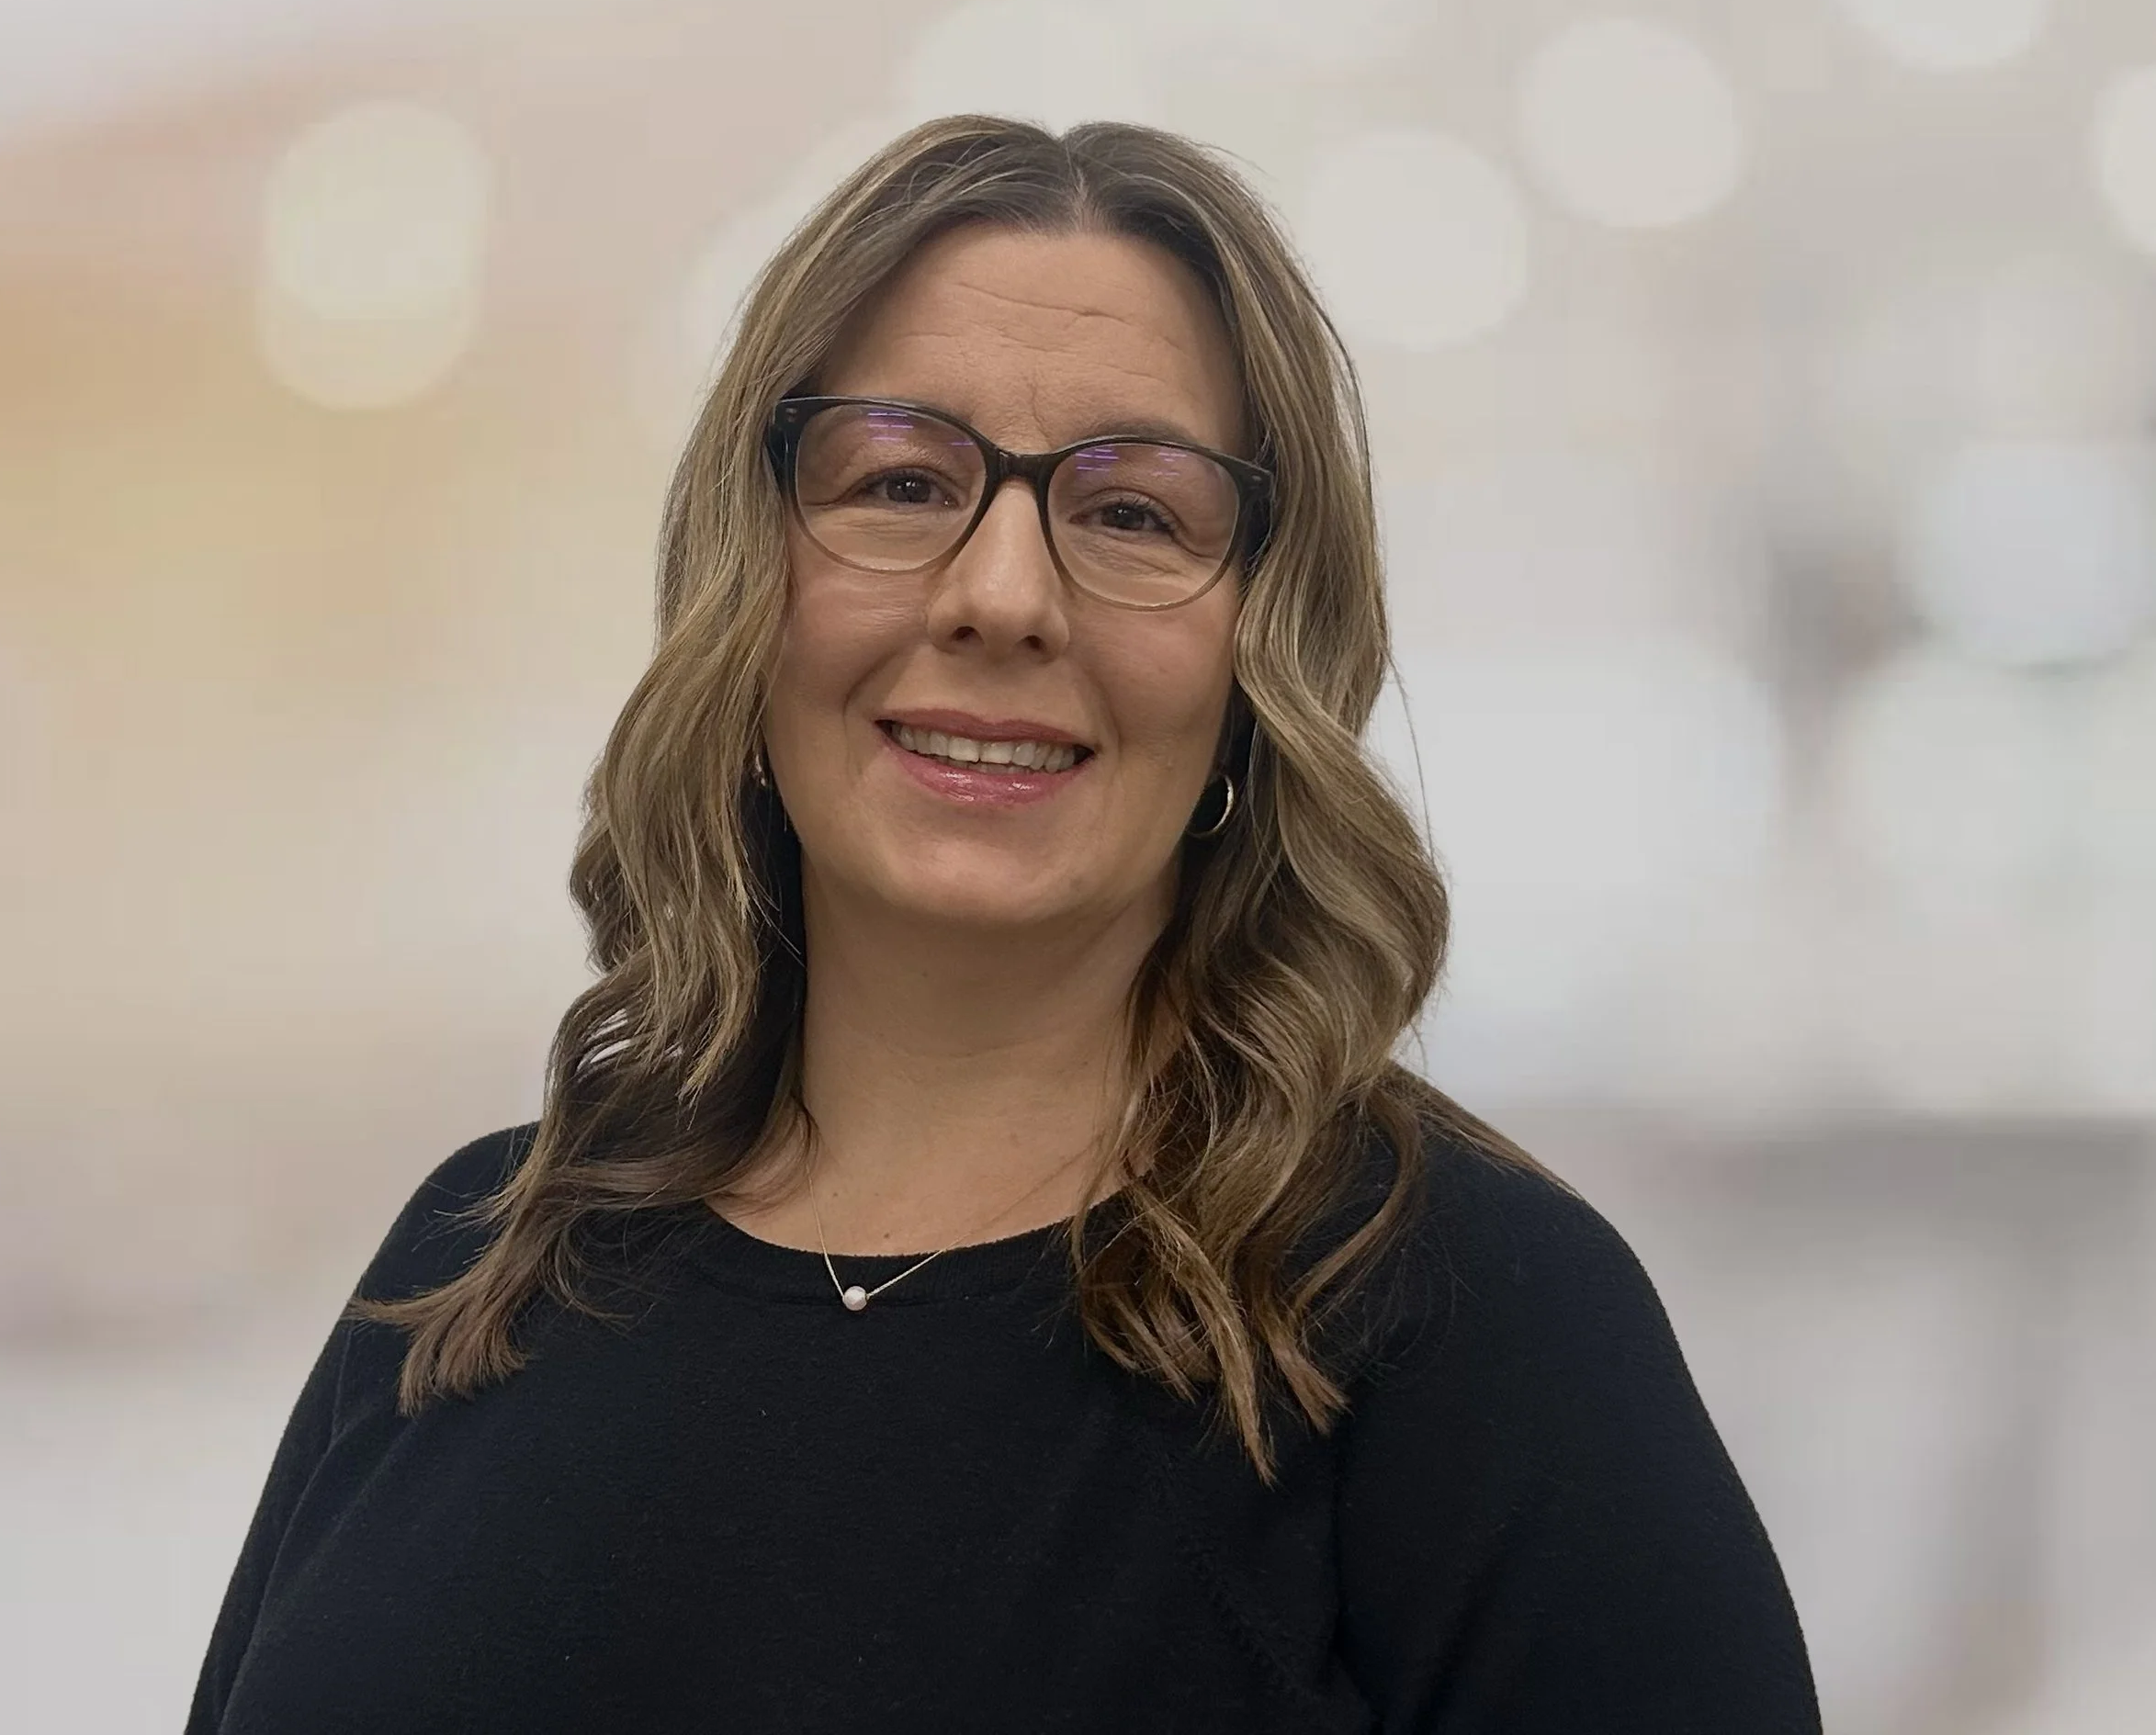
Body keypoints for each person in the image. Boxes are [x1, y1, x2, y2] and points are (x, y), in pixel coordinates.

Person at [186, 116, 1821, 1734]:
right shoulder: (478, 1264)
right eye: (901, 482)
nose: (1003, 595)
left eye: (1132, 514)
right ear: (750, 583)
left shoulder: (1471, 1324)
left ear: (1264, 659)